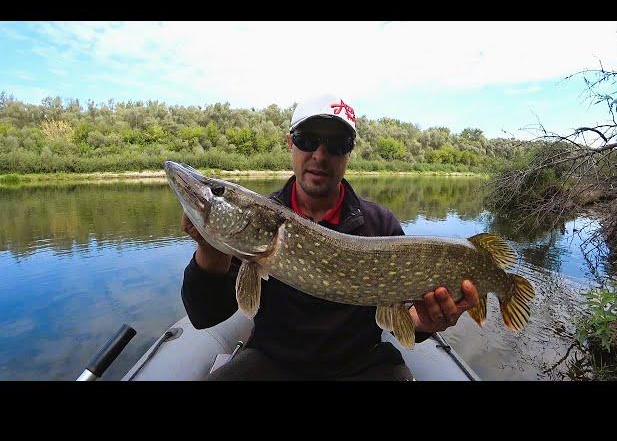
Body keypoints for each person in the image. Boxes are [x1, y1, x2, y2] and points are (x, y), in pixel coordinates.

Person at [180, 94, 479, 380]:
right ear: (290, 144)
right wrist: (209, 248)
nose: (320, 155)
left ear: (349, 153)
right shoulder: (260, 221)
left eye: (336, 145)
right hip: (273, 362)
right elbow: (204, 316)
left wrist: (425, 323)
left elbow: (406, 319)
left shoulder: (380, 224)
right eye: (307, 140)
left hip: (362, 365)